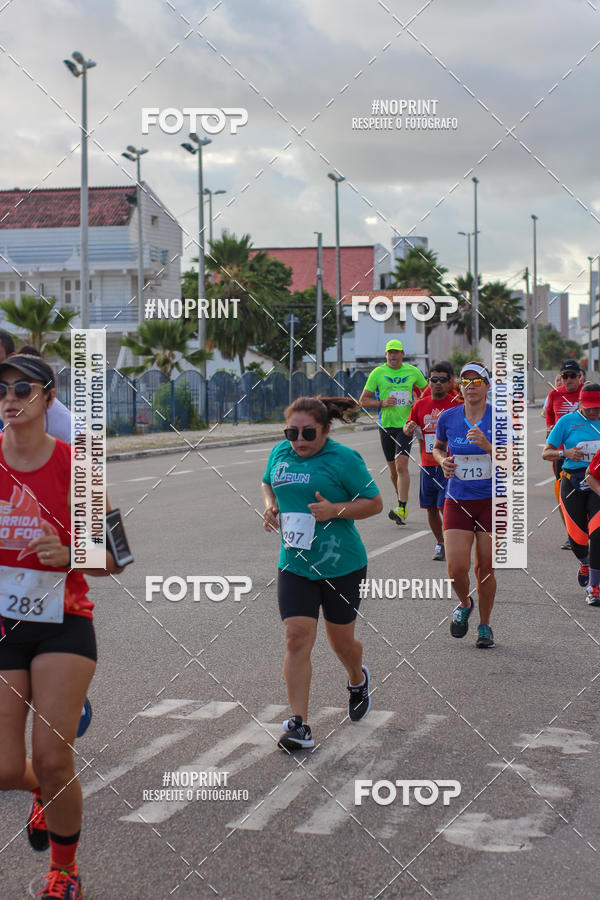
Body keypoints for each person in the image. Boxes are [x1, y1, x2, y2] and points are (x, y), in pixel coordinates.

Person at [0, 353, 125, 899]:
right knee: (6, 769)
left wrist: (71, 554)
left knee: (54, 757)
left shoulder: (80, 467)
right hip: (3, 626)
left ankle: (64, 871)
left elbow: (116, 558)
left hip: (63, 622)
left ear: (49, 397)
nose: (10, 398)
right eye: (1, 390)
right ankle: (43, 794)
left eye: (22, 388)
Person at [261, 396, 382, 751]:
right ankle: (299, 724)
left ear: (326, 430)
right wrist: (271, 506)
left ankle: (357, 679)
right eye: (291, 432)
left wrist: (335, 510)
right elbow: (267, 482)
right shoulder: (280, 453)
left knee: (341, 643)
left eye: (308, 433)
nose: (298, 440)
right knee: (296, 638)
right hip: (295, 563)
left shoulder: (344, 459)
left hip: (341, 565)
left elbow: (374, 503)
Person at [432, 362, 496, 648]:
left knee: (485, 567)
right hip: (457, 499)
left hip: (491, 501)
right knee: (456, 569)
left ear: (487, 386)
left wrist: (488, 446)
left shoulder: (500, 418)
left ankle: (485, 625)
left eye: (477, 381)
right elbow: (438, 447)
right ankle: (465, 603)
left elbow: (515, 462)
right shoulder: (448, 417)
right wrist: (442, 461)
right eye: (466, 381)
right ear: (460, 386)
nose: (471, 386)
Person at [543, 383, 600, 605]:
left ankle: (594, 587)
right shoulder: (567, 421)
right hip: (573, 482)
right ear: (580, 404)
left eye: (598, 407)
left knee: (597, 534)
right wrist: (564, 453)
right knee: (578, 540)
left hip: (597, 481)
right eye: (589, 407)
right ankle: (585, 562)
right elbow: (546, 453)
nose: (594, 411)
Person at [359, 339, 427, 524]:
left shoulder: (413, 371)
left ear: (402, 354)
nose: (393, 355)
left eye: (396, 352)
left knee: (401, 465)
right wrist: (381, 403)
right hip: (386, 426)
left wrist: (418, 402)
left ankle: (402, 508)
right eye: (390, 352)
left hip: (406, 426)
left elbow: (427, 392)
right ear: (386, 355)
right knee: (393, 471)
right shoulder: (377, 373)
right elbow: (363, 400)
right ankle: (400, 503)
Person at [403, 361, 463, 561]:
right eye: (434, 379)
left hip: (449, 464)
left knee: (443, 506)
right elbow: (408, 426)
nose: (437, 383)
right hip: (427, 465)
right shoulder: (420, 405)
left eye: (442, 380)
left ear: (450, 381)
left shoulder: (457, 405)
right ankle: (441, 542)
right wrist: (408, 428)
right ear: (428, 381)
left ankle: (452, 541)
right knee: (430, 507)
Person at [546, 360, 584, 549]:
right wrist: (550, 429)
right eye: (564, 376)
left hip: (588, 453)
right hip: (562, 455)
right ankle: (572, 534)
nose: (568, 379)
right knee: (564, 495)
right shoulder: (554, 394)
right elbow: (549, 417)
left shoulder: (587, 392)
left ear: (579, 377)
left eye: (572, 376)